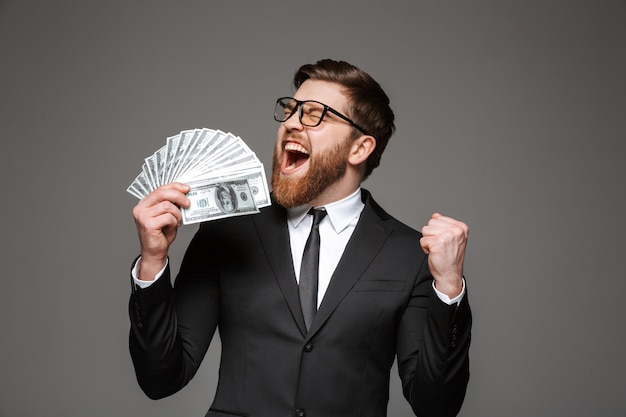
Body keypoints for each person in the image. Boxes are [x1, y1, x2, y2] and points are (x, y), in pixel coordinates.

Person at [128, 59, 471, 417]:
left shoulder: (408, 254)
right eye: (290, 111)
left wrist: (448, 287)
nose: (291, 123)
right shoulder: (226, 232)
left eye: (315, 115)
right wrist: (152, 263)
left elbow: (436, 406)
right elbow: (160, 379)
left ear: (360, 148)